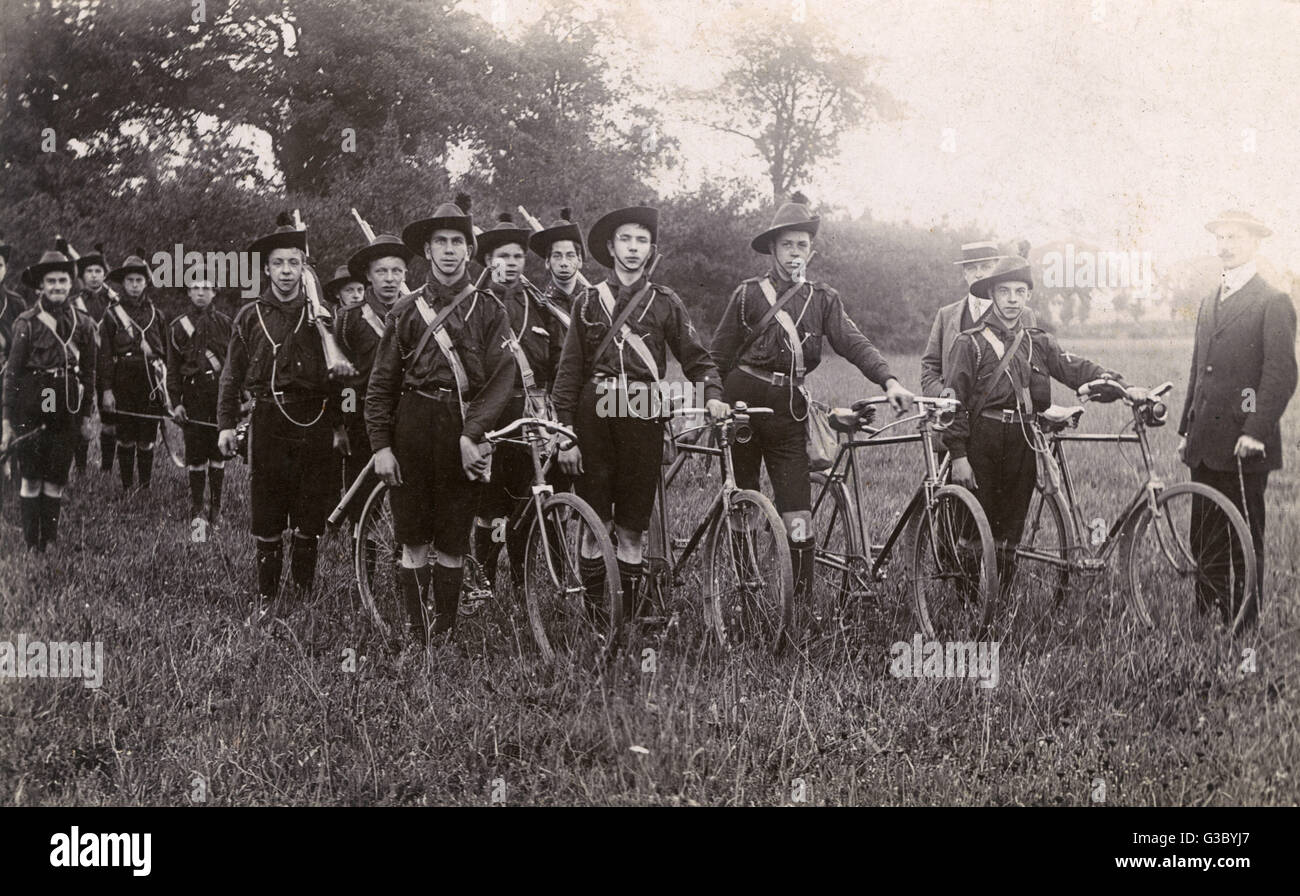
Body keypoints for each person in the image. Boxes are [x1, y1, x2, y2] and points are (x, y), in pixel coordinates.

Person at [711, 192, 913, 603]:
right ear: (772, 249)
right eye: (786, 244)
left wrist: (889, 381)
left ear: (812, 250)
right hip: (742, 405)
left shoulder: (823, 299)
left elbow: (854, 343)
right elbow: (717, 356)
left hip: (790, 411)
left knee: (798, 512)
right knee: (744, 501)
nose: (794, 253)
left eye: (802, 245)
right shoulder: (748, 294)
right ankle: (748, 593)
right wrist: (714, 399)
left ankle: (799, 605)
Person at [552, 204, 728, 618]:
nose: (633, 248)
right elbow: (569, 372)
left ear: (651, 249)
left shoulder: (665, 302)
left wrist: (712, 394)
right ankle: (597, 620)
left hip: (643, 408)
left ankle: (626, 621)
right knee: (595, 524)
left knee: (632, 527)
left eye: (642, 240)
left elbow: (697, 359)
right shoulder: (588, 302)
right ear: (611, 247)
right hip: (595, 411)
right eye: (626, 240)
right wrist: (565, 432)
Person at [366, 196, 516, 644]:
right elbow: (381, 385)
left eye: (457, 241)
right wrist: (381, 446)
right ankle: (418, 635)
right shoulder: (405, 311)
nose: (449, 250)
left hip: (463, 425)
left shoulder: (490, 309)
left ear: (469, 250)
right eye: (440, 242)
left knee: (453, 539)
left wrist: (472, 434)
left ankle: (445, 635)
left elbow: (501, 382)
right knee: (413, 537)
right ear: (427, 251)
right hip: (412, 424)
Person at [943, 256, 1132, 587]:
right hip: (983, 441)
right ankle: (969, 604)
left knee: (1010, 529)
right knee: (974, 529)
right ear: (992, 294)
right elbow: (953, 402)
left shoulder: (1038, 342)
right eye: (1004, 291)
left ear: (1028, 295)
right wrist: (958, 455)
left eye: (1020, 292)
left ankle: (1001, 598)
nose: (1012, 299)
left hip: (1024, 441)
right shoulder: (969, 343)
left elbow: (1074, 368)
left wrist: (1117, 384)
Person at [216, 214, 348, 614]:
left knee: (310, 514)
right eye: (278, 263)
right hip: (269, 420)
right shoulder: (250, 315)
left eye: (294, 262)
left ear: (304, 267)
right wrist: (225, 425)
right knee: (268, 513)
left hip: (315, 419)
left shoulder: (324, 315)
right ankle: (267, 598)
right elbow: (231, 374)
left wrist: (340, 425)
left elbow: (340, 379)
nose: (286, 271)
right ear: (267, 269)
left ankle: (304, 595)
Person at [1178, 211, 1297, 626]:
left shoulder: (1273, 301)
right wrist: (1186, 429)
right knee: (1204, 535)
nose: (1226, 246)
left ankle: (1244, 625)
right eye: (1221, 238)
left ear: (1255, 244)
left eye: (1235, 238)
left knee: (1244, 539)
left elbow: (1280, 374)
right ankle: (1210, 618)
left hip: (1244, 445)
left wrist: (1255, 431)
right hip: (1204, 444)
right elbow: (1199, 369)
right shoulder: (1210, 298)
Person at [472, 212, 566, 588]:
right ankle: (485, 581)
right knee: (491, 508)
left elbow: (557, 360)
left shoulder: (539, 305)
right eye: (503, 256)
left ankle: (519, 584)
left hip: (534, 418)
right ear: (488, 260)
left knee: (527, 504)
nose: (511, 263)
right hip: (493, 417)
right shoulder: (476, 305)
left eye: (517, 257)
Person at [0, 249, 97, 550]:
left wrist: (86, 416)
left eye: (62, 280)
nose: (57, 286)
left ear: (71, 284)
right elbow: (12, 374)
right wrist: (7, 419)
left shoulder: (83, 323)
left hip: (67, 403)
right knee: (32, 476)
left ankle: (50, 541)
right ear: (41, 286)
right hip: (34, 401)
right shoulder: (26, 323)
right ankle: (32, 543)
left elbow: (90, 373)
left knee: (55, 477)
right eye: (51, 281)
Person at [334, 234, 412, 533]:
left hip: (407, 415)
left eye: (396, 271)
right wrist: (344, 424)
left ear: (405, 274)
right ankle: (362, 552)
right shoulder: (349, 319)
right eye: (381, 271)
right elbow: (343, 379)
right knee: (363, 496)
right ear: (368, 275)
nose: (389, 279)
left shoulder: (416, 312)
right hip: (364, 417)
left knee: (408, 492)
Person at [921, 240, 1036, 397]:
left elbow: (1033, 369)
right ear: (965, 274)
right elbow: (929, 368)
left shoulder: (1023, 314)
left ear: (997, 271)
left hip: (1000, 410)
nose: (978, 274)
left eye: (986, 267)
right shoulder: (946, 315)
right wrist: (944, 397)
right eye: (971, 268)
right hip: (953, 408)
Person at [167, 274, 232, 526]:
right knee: (195, 456)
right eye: (195, 288)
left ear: (215, 291)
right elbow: (173, 370)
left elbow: (234, 365)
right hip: (192, 396)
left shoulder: (226, 324)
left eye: (206, 287)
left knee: (218, 454)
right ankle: (197, 509)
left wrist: (237, 399)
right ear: (188, 292)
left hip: (219, 396)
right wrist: (176, 403)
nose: (201, 292)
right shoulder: (178, 327)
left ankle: (216, 509)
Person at [99, 250, 167, 492]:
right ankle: (127, 486)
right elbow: (105, 357)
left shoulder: (156, 315)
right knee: (126, 436)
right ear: (123, 283)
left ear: (146, 282)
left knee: (147, 437)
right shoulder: (111, 315)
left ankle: (145, 487)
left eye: (139, 280)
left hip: (150, 381)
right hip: (123, 379)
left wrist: (166, 388)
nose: (135, 285)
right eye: (130, 280)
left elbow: (165, 352)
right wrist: (107, 390)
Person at [68, 242, 117, 473]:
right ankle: (80, 468)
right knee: (81, 417)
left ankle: (106, 469)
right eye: (89, 271)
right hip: (82, 368)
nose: (94, 275)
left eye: (99, 271)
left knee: (110, 420)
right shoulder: (73, 303)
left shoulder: (115, 303)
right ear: (82, 275)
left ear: (104, 275)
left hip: (109, 368)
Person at [528, 207, 585, 326]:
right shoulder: (539, 308)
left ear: (579, 260)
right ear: (547, 262)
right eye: (557, 256)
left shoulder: (594, 303)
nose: (564, 263)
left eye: (570, 255)